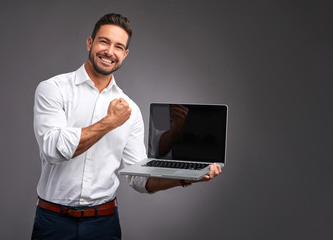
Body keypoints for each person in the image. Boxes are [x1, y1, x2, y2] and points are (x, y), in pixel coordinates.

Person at [31, 13, 221, 240]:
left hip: (104, 223)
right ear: (90, 42)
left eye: (118, 47)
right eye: (104, 41)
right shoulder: (53, 89)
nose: (110, 52)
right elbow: (53, 150)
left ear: (125, 55)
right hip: (53, 222)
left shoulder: (130, 109)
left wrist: (187, 178)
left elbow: (140, 179)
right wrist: (109, 122)